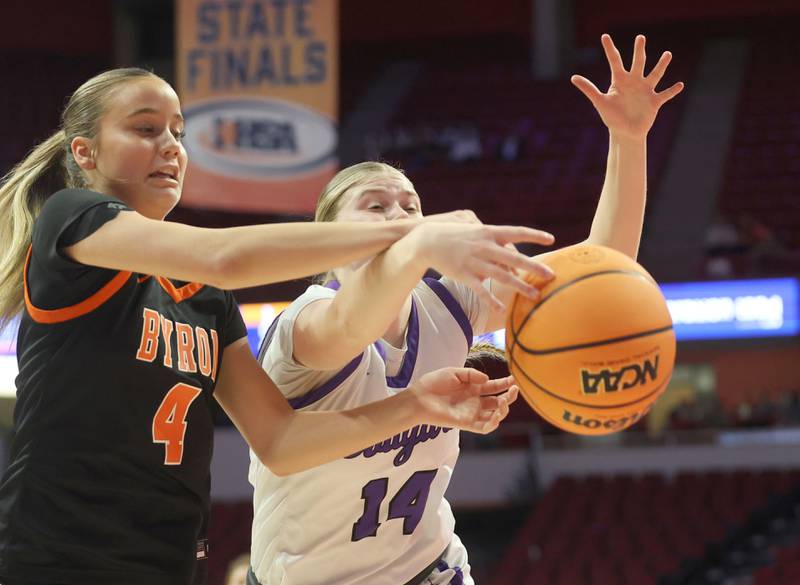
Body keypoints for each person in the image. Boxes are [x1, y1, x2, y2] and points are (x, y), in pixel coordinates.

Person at [0, 67, 553, 585]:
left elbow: (281, 442)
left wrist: (416, 406)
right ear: (84, 152)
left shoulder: (204, 299)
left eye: (177, 130)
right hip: (58, 552)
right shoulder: (70, 219)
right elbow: (224, 255)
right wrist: (414, 237)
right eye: (145, 128)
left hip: (166, 557)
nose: (170, 144)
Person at [248, 34, 684, 585]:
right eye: (376, 206)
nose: (400, 215)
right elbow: (354, 321)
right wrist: (420, 243)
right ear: (328, 237)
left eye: (411, 205)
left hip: (430, 569)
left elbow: (603, 274)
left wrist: (628, 140)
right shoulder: (306, 325)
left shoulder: (449, 302)